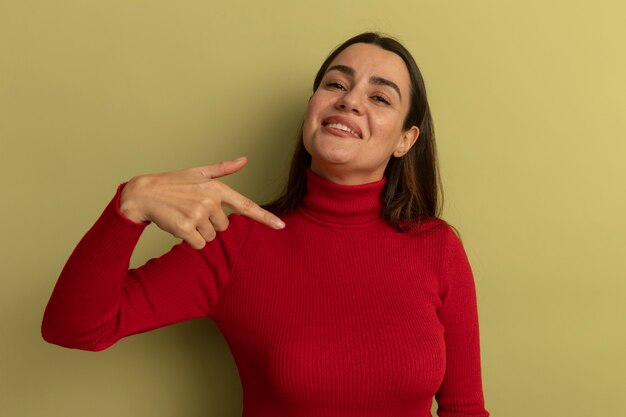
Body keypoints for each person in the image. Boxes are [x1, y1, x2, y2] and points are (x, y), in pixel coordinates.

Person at [42, 32, 490, 416]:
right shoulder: (236, 245)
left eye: (379, 96)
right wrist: (127, 209)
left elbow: (464, 409)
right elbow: (75, 327)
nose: (350, 100)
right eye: (336, 83)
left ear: (405, 140)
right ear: (313, 110)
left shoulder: (437, 246)